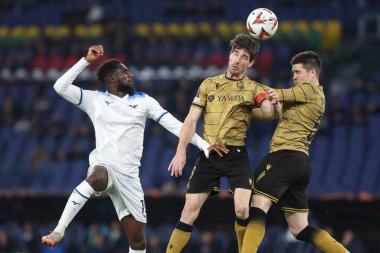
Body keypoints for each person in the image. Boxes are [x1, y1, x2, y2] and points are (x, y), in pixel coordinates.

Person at [41, 45, 212, 253]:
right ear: (111, 78)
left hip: (130, 176)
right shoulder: (94, 100)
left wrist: (203, 144)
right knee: (97, 176)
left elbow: (176, 125)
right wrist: (86, 60)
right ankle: (59, 230)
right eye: (124, 71)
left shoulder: (144, 101)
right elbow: (60, 86)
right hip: (105, 164)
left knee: (138, 241)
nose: (130, 75)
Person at [165, 34, 280, 253]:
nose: (237, 59)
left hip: (236, 156)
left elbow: (267, 110)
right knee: (188, 211)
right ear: (229, 55)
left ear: (251, 62)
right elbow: (190, 119)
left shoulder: (254, 88)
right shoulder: (209, 84)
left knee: (243, 210)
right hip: (209, 154)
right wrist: (180, 151)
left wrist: (272, 103)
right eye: (235, 53)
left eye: (244, 56)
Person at [241, 51, 350, 253]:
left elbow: (276, 93)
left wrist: (244, 88)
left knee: (256, 205)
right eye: (293, 72)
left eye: (298, 72)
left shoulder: (309, 90)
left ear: (312, 73)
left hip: (284, 156)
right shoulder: (308, 97)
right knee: (300, 228)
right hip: (300, 164)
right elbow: (271, 110)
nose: (294, 77)